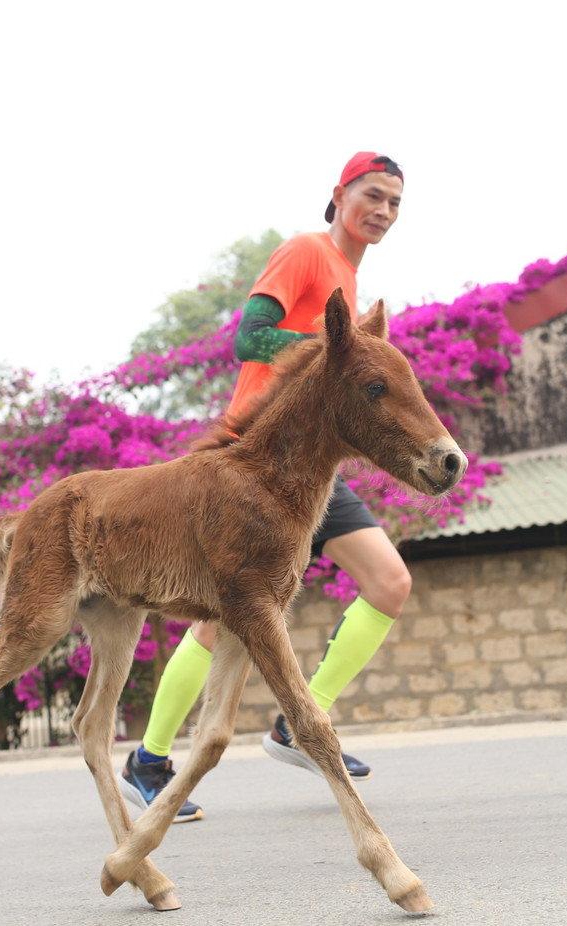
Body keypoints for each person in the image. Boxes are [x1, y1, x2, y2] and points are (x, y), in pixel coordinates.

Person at [120, 152, 409, 824]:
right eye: (373, 195)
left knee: (389, 582)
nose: (384, 211)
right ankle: (149, 762)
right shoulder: (306, 252)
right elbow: (249, 338)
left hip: (312, 468)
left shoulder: (349, 280)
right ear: (339, 195)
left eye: (395, 202)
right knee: (221, 621)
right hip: (256, 463)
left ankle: (297, 727)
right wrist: (330, 352)